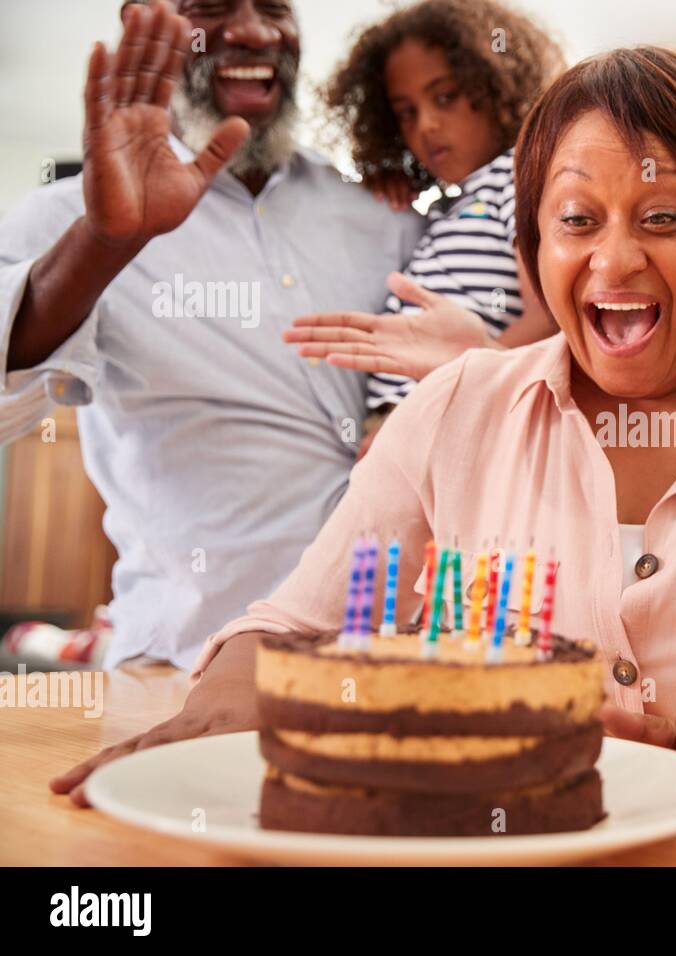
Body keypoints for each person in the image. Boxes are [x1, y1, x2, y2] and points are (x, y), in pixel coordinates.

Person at [52, 47, 676, 844]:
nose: (616, 260)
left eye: (663, 218)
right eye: (578, 220)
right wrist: (228, 701)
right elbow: (289, 626)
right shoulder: (455, 407)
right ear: (533, 242)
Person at [0, 0, 422, 669]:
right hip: (182, 667)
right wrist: (109, 241)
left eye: (274, 8)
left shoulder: (382, 211)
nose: (254, 31)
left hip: (389, 665)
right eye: (215, 6)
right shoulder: (68, 219)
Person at [283, 0, 562, 423]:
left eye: (445, 97)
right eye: (406, 113)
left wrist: (447, 399)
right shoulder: (450, 206)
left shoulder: (519, 174)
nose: (426, 125)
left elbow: (547, 318)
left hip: (458, 412)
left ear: (496, 86)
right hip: (404, 419)